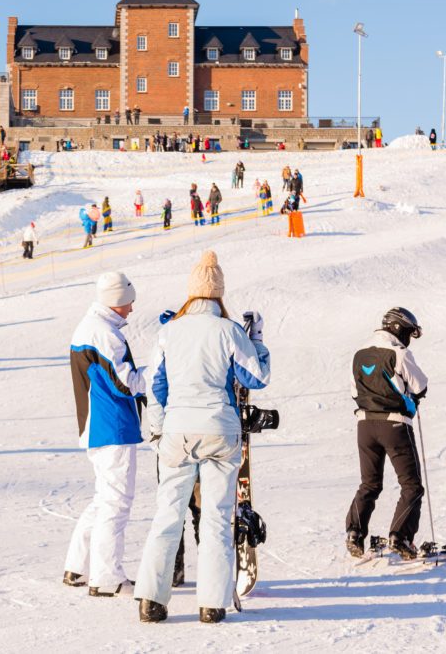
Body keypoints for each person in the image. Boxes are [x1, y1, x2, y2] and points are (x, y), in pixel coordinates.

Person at [135, 250, 271, 624]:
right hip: (219, 431)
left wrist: (159, 429)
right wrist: (256, 339)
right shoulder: (229, 331)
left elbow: (155, 385)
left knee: (168, 514)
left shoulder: (169, 331)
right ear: (219, 294)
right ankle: (211, 604)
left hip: (177, 432)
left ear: (191, 293)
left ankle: (151, 600)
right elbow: (255, 378)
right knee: (215, 517)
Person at [64, 272, 145, 597]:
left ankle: (79, 566)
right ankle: (106, 577)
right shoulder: (103, 334)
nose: (132, 309)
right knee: (116, 502)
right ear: (117, 301)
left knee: (104, 498)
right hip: (111, 427)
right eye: (129, 302)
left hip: (99, 426)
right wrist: (159, 374)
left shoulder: (91, 326)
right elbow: (125, 382)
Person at [345, 307, 428, 560]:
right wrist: (410, 399)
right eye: (408, 333)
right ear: (398, 328)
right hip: (395, 425)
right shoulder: (398, 353)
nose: (408, 339)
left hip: (365, 426)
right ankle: (400, 537)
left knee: (369, 483)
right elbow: (420, 385)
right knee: (411, 486)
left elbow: (354, 392)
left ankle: (354, 534)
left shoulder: (359, 354)